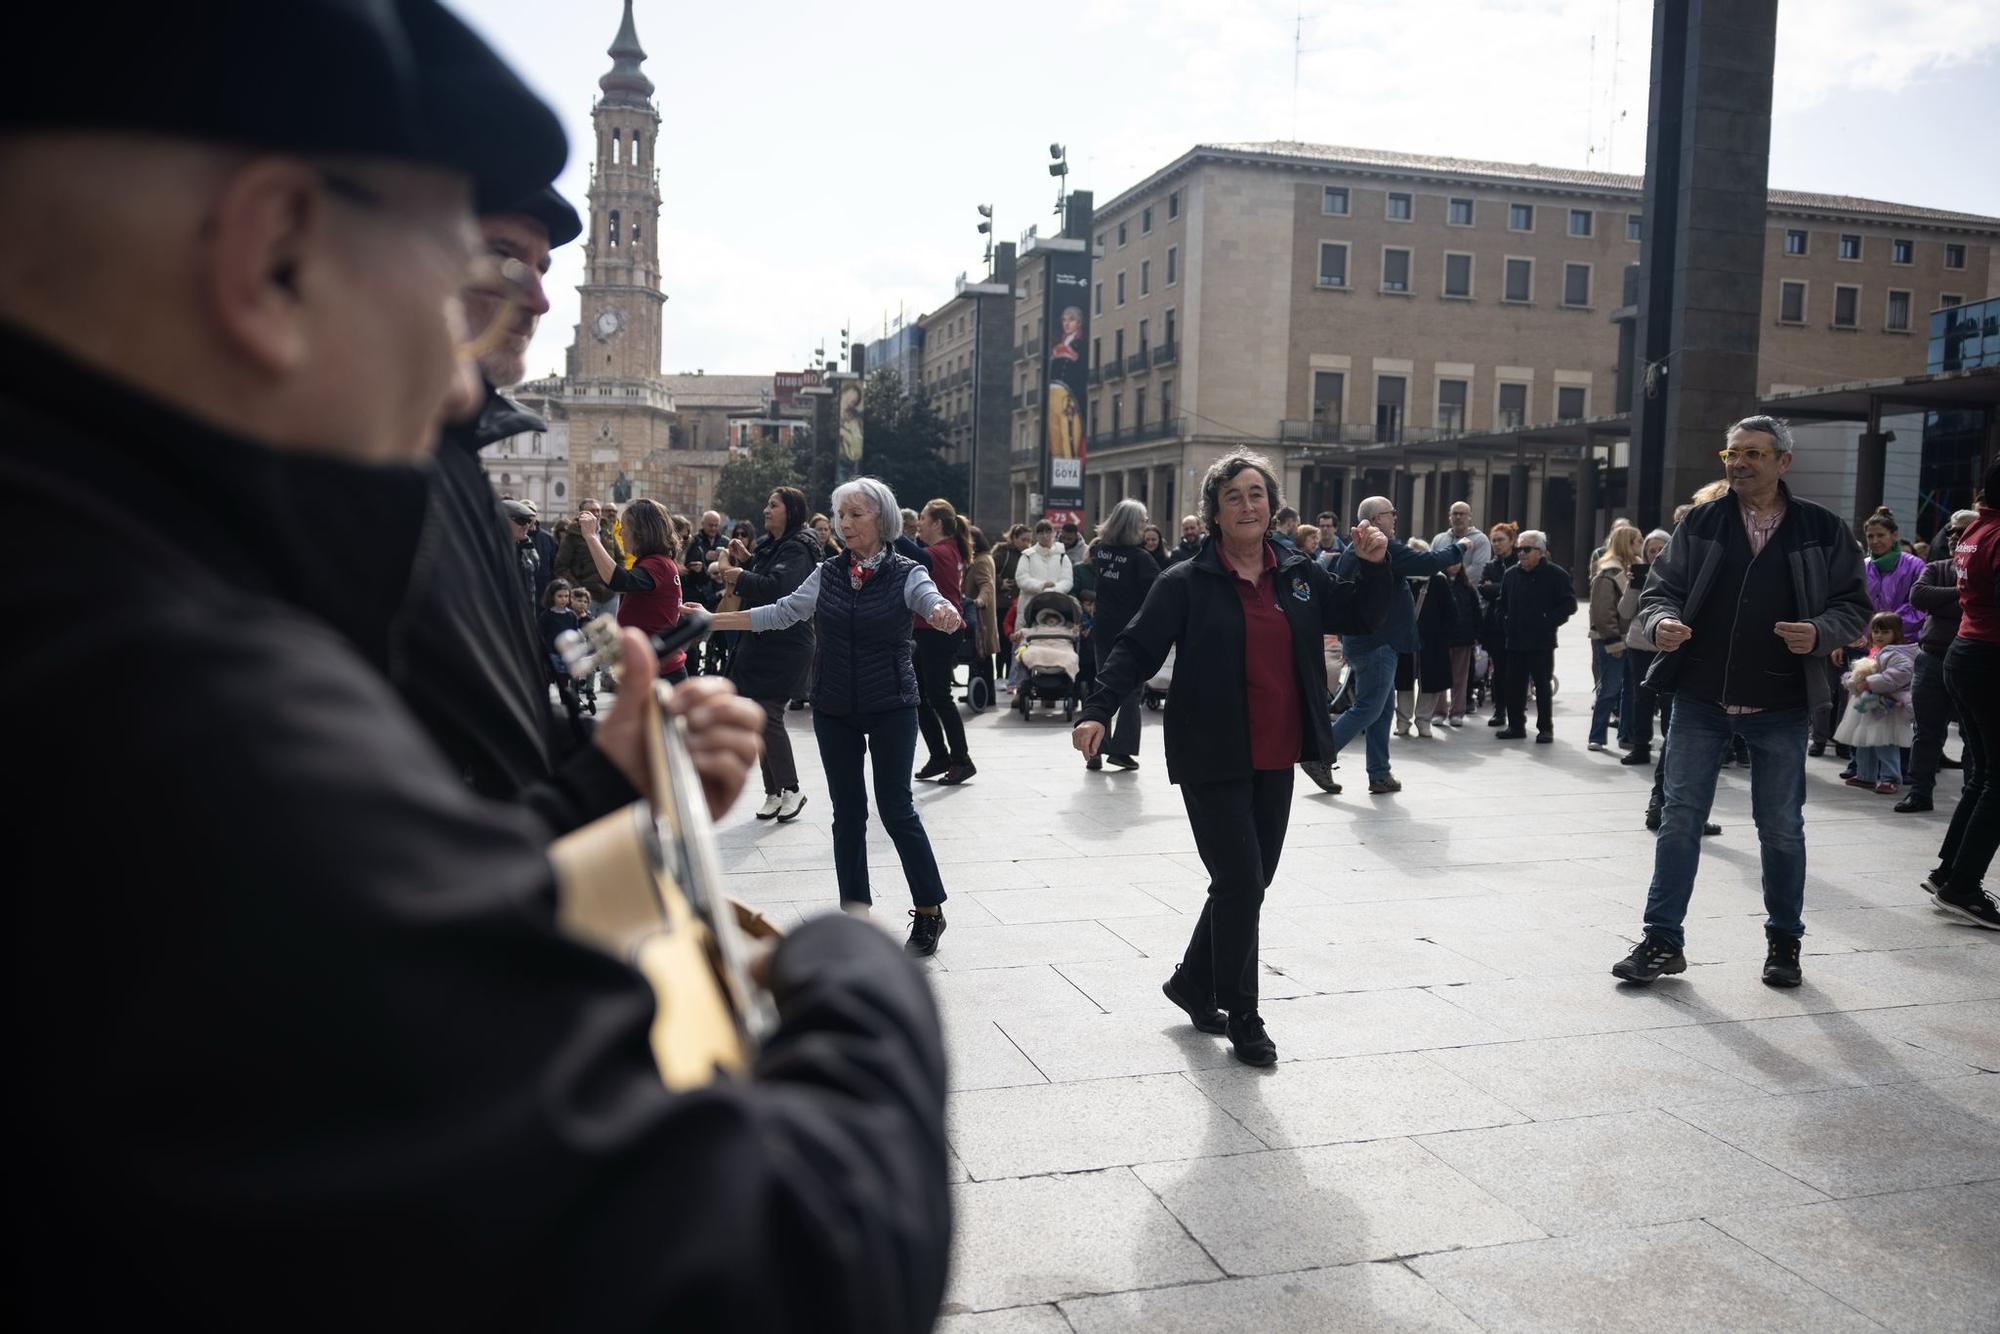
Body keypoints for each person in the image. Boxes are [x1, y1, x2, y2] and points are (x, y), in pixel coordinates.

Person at [0, 8, 952, 1329]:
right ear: (273, 256)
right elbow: (781, 1263)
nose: (461, 380)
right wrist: (856, 972)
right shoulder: (163, 708)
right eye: (446, 267)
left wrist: (594, 788)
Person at [1072, 453, 1391, 1066]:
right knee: (1242, 881)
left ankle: (1193, 980)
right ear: (1213, 513)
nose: (1248, 506)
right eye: (1234, 497)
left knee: (1246, 882)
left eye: (1257, 494)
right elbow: (1135, 648)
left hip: (1278, 750)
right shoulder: (1185, 581)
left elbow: (1357, 613)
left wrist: (1376, 568)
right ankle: (1244, 1013)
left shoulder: (1297, 571)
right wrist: (1098, 706)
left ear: (1272, 504)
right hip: (1211, 751)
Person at [1613, 416, 1871, 989]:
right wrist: (1661, 623)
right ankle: (1662, 941)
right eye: (1731, 453)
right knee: (1679, 820)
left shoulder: (1822, 529)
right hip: (1700, 698)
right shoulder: (1702, 521)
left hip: (1780, 703)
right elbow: (1661, 591)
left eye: (1753, 453)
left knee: (1779, 827)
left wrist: (1822, 631)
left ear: (1784, 461)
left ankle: (1784, 942)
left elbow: (1854, 605)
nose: (1738, 463)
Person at [710, 479, 965, 954]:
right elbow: (783, 611)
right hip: (833, 706)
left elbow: (930, 599)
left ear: (882, 520)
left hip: (891, 703)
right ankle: (856, 917)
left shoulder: (907, 571)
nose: (846, 524)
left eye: (857, 515)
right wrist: (712, 619)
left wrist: (943, 611)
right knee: (847, 815)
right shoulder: (827, 572)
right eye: (841, 515)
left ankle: (929, 910)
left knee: (895, 808)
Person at [1313, 495, 1462, 794]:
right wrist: (1460, 548)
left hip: (1370, 640)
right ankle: (1320, 755)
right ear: (1377, 517)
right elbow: (1428, 562)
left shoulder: (1357, 547)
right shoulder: (1379, 544)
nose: (1395, 517)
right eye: (1391, 513)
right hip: (1377, 642)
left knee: (1382, 709)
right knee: (1369, 707)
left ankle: (1379, 774)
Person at [1922, 460, 2000, 928]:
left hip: (1969, 653)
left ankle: (1950, 871)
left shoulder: (1977, 529)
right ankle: (1962, 885)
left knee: (1985, 774)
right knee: (1997, 780)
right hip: (1989, 657)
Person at [718, 486, 820, 822]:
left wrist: (739, 576)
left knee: (767, 713)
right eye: (766, 503)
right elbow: (768, 574)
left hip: (786, 645)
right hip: (764, 641)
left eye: (773, 505)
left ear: (790, 511)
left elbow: (779, 588)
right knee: (758, 716)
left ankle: (791, 789)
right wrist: (747, 560)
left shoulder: (799, 547)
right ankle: (774, 792)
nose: (766, 510)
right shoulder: (777, 544)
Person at [1898, 510, 1976, 812]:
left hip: (1972, 660)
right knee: (1926, 731)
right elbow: (1918, 597)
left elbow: (1978, 603)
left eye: (1963, 531)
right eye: (1952, 532)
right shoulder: (1937, 567)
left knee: (1973, 736)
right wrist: (1961, 593)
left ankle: (1972, 798)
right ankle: (1919, 792)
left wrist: (1942, 603)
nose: (1955, 537)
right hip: (1931, 658)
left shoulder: (1986, 571)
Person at [1084, 498, 1159, 771]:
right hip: (1130, 632)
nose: (1147, 525)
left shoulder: (1102, 551)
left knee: (1102, 684)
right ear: (1132, 524)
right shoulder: (1141, 559)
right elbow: (1157, 594)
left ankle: (1094, 748)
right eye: (1143, 520)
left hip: (1103, 627)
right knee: (1130, 690)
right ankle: (1122, 749)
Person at [580, 499, 689, 682]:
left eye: (625, 527)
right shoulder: (658, 563)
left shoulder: (658, 564)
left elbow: (618, 581)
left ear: (641, 531)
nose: (621, 533)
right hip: (654, 669)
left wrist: (592, 537)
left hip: (661, 674)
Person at [911, 498, 976, 785]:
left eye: (923, 517)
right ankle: (940, 756)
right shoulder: (947, 549)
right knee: (920, 696)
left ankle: (961, 760)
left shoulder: (938, 552)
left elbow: (908, 554)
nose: (919, 522)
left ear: (937, 523)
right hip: (930, 630)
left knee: (937, 697)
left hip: (939, 631)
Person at [1495, 530, 1576, 741]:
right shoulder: (1511, 574)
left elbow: (1569, 604)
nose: (1521, 553)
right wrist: (1505, 620)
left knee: (1542, 685)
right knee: (1514, 685)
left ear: (1540, 552)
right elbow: (1501, 604)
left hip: (1542, 642)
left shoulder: (1556, 574)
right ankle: (1516, 726)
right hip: (1514, 641)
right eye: (1519, 549)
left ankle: (1545, 728)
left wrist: (1547, 621)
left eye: (1527, 549)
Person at [1834, 612, 1916, 795]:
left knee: (1885, 743)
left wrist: (1870, 682)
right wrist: (1853, 680)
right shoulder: (1876, 651)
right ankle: (1865, 775)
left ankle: (1890, 778)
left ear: (1896, 633)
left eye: (1885, 632)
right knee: (1864, 742)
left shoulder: (1898, 654)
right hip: (1869, 706)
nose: (1878, 636)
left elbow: (1901, 673)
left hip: (1885, 706)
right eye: (1876, 631)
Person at [1617, 529, 1673, 766]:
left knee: (1669, 700)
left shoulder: (1679, 573)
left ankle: (1671, 748)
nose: (1655, 554)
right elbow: (1625, 612)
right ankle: (1641, 746)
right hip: (1639, 646)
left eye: (1661, 549)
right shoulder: (1638, 574)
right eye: (1651, 550)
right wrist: (1633, 586)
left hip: (1669, 646)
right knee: (1642, 698)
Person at [1587, 525, 1644, 751]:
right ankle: (1597, 736)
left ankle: (1626, 735)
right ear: (1627, 543)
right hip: (1612, 639)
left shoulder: (1638, 570)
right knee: (1610, 689)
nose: (1641, 544)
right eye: (1638, 540)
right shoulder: (1608, 573)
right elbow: (1602, 611)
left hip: (1633, 639)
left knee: (1630, 691)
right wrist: (1613, 641)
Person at [1413, 561, 1474, 732]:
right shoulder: (1436, 582)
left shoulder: (1467, 586)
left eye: (1458, 562)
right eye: (1451, 562)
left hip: (1462, 639)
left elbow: (1474, 611)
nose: (1454, 565)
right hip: (1439, 641)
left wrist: (1475, 636)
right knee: (1437, 677)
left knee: (1460, 678)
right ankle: (1439, 711)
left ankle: (1457, 712)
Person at [1863, 509, 1927, 644]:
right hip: (1865, 644)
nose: (1875, 541)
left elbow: (1921, 606)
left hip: (1903, 644)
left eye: (1880, 535)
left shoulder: (1915, 565)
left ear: (1895, 535)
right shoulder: (1862, 566)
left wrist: (1889, 630)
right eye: (1870, 536)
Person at [1478, 523, 1518, 724]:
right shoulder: (1490, 566)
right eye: (1493, 540)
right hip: (1496, 627)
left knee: (1517, 672)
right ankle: (1499, 711)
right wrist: (1502, 588)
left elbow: (1517, 591)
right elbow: (1484, 590)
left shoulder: (1520, 562)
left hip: (1519, 626)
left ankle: (1515, 712)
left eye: (1501, 539)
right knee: (1499, 671)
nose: (1496, 544)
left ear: (1512, 541)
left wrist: (1497, 587)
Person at [556, 497, 626, 610]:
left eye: (598, 510)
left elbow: (620, 558)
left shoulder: (608, 532)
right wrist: (577, 588)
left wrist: (617, 580)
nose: (596, 514)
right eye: (592, 511)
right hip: (585, 596)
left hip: (610, 595)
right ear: (581, 514)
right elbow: (561, 567)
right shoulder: (572, 535)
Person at [964, 525, 1001, 697]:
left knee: (981, 657)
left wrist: (979, 601)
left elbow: (987, 584)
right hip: (980, 616)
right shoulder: (983, 558)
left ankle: (982, 695)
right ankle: (984, 695)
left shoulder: (981, 561)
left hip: (979, 617)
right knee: (981, 658)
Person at [1014, 518, 1075, 610]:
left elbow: (1067, 581)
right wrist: (1041, 585)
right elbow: (1021, 579)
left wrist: (1053, 590)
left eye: (1048, 532)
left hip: (1055, 605)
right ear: (1036, 536)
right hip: (1029, 606)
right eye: (1041, 533)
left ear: (1054, 533)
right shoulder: (1027, 555)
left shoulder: (1062, 556)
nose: (1045, 536)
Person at [1432, 501, 1493, 585]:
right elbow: (1432, 564)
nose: (1458, 517)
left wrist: (1453, 581)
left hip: (1467, 593)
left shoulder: (1481, 539)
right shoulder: (1438, 539)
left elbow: (1479, 569)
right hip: (1440, 591)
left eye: (1462, 514)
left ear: (1469, 517)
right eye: (1455, 513)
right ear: (1450, 517)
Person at [503, 498, 541, 605]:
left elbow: (534, 570)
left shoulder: (525, 546)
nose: (526, 526)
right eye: (521, 520)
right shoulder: (491, 548)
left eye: (528, 521)